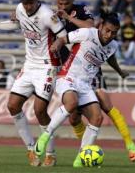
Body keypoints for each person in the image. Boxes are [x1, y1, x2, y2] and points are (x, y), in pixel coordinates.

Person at [0, 0, 67, 167]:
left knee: (39, 110)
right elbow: (14, 24)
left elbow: (63, 34)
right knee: (12, 105)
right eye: (25, 3)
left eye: (30, 2)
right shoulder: (20, 9)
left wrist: (58, 44)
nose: (27, 6)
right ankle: (31, 149)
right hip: (29, 65)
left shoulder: (47, 14)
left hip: (47, 66)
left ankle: (50, 153)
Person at [53, 0, 135, 162]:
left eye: (66, 3)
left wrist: (68, 16)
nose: (62, 7)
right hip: (71, 68)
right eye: (59, 4)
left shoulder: (81, 10)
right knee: (74, 117)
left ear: (72, 1)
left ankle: (130, 144)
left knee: (106, 105)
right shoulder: (52, 15)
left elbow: (89, 27)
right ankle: (85, 152)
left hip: (91, 69)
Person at [34, 11, 121, 167]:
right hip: (67, 77)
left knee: (97, 118)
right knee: (71, 103)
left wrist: (120, 71)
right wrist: (58, 44)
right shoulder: (87, 33)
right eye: (107, 30)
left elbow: (111, 57)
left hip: (86, 84)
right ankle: (45, 136)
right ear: (100, 26)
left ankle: (80, 159)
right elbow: (64, 39)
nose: (109, 35)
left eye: (114, 33)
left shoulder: (113, 45)